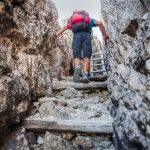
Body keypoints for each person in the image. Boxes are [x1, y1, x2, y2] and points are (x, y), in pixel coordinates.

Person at [53, 10, 109, 83]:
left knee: (76, 55)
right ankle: (85, 75)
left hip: (76, 36)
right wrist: (105, 35)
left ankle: (77, 67)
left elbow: (65, 27)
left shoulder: (73, 22)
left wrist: (56, 35)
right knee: (86, 56)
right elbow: (99, 23)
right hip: (87, 36)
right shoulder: (88, 20)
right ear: (85, 15)